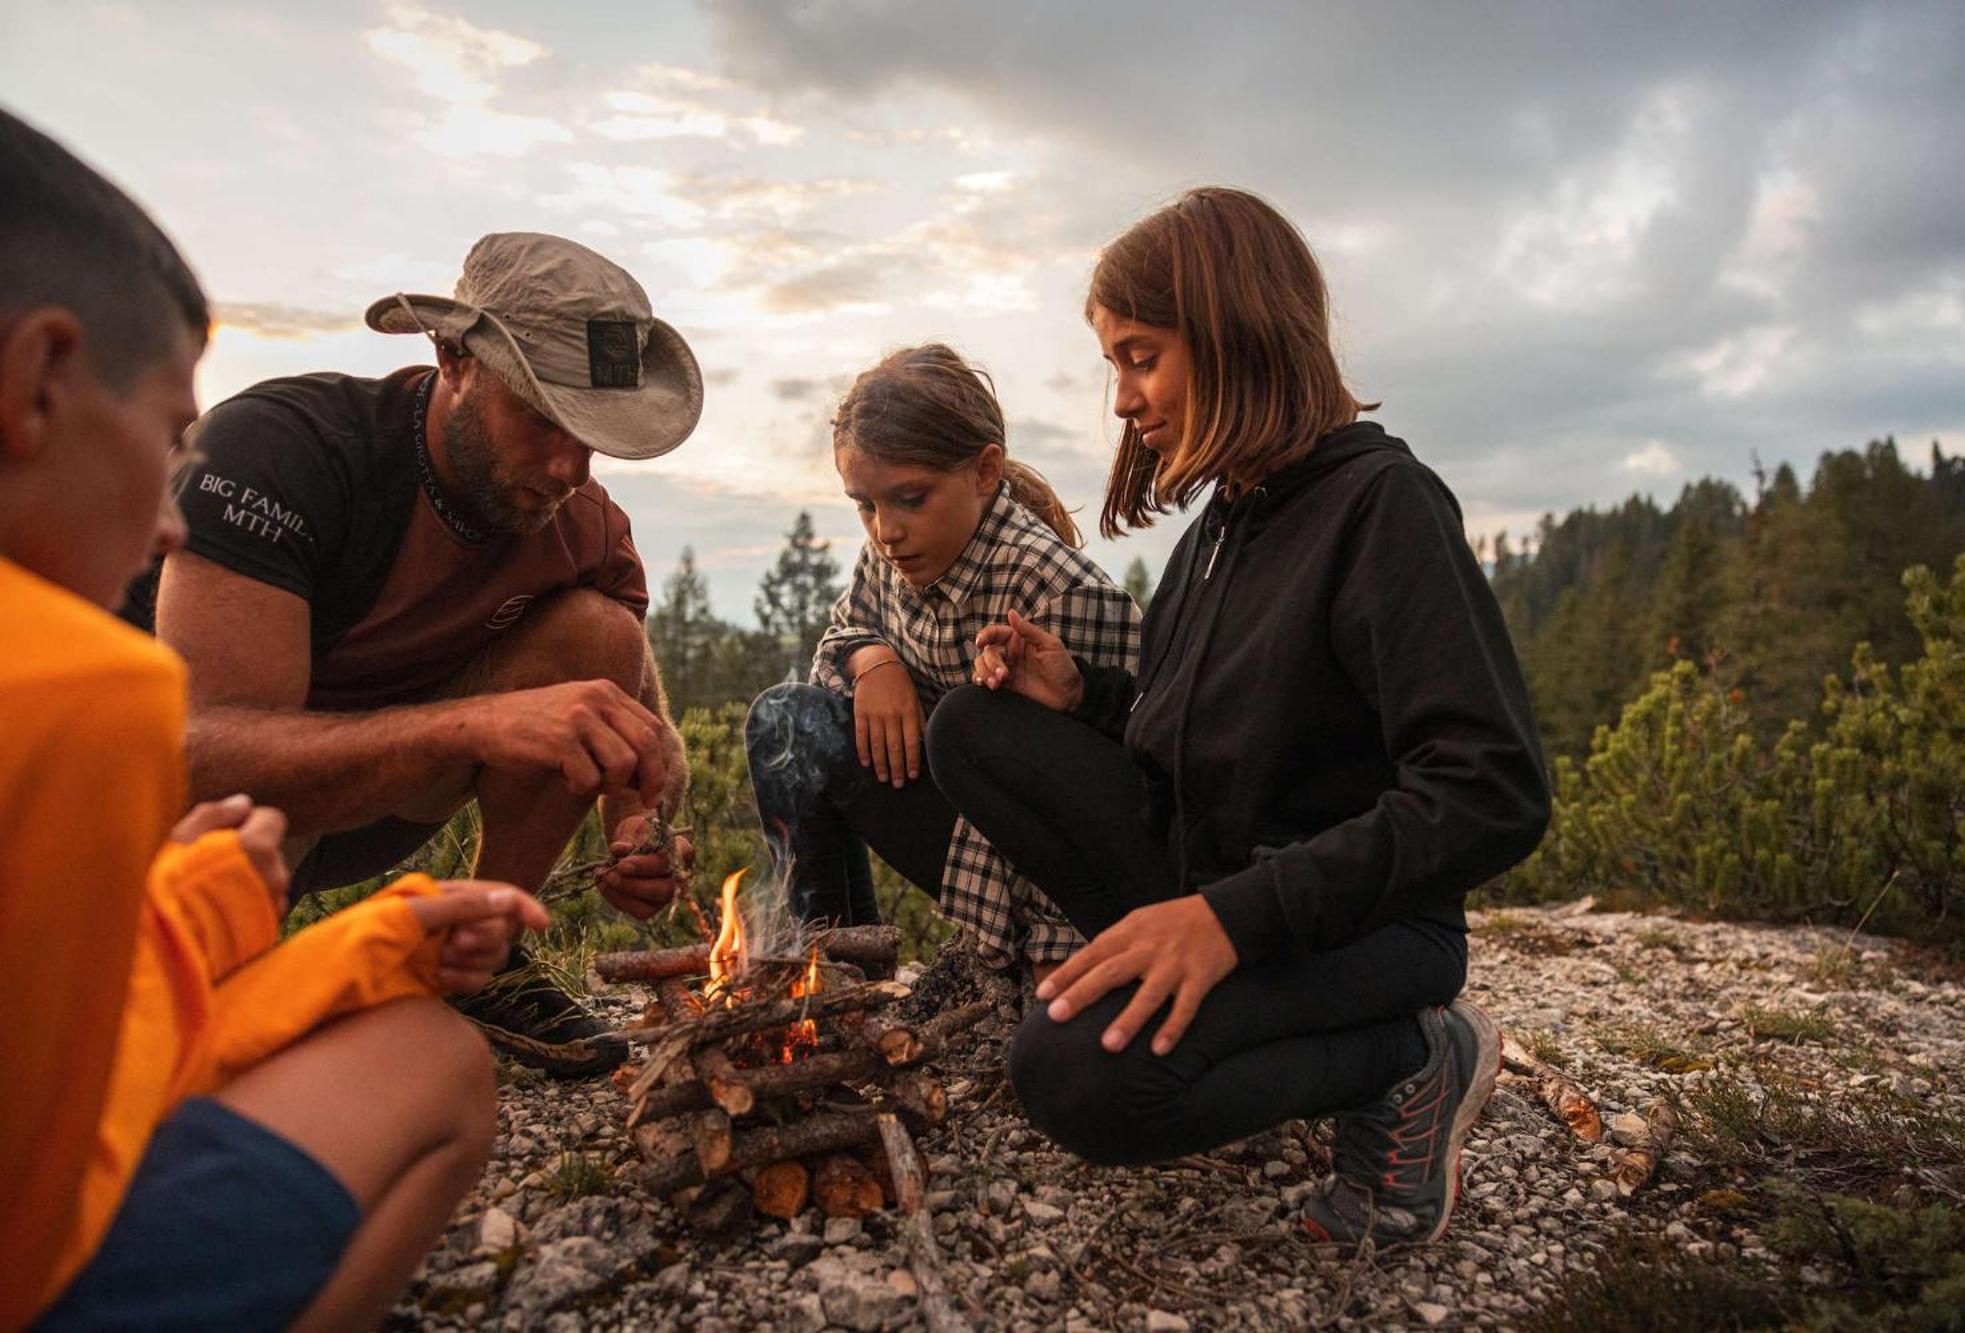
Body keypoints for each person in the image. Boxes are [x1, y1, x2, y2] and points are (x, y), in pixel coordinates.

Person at [0, 105, 550, 1332]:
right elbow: (46, 1178)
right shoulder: (73, 690)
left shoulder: (565, 519)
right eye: (167, 436)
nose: (171, 521)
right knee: (438, 1065)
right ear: (35, 383)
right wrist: (224, 915)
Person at [926, 188, 1552, 1246]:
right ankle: (1229, 1024)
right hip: (1216, 879)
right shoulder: (1222, 523)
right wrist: (1082, 695)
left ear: (1229, 334)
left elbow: (1489, 790)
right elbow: (1219, 737)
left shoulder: (1381, 508)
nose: (1121, 399)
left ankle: (1410, 1055)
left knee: (1069, 1072)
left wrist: (1228, 923)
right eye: (1113, 365)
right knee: (965, 727)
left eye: (1139, 357)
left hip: (1357, 927)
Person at [119, 230, 706, 1072]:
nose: (569, 465)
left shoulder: (582, 526)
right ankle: (205, 985)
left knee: (601, 636)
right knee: (197, 1023)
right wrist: (476, 727)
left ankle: (483, 955)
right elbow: (202, 752)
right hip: (172, 815)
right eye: (541, 418)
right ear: (453, 359)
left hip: (375, 800)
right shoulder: (286, 451)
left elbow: (644, 726)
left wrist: (640, 823)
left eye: (592, 432)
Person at [745, 344, 1140, 978]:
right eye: (865, 504)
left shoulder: (1057, 590)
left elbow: (1092, 808)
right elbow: (839, 640)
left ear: (985, 472)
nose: (885, 529)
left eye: (910, 498)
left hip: (1053, 875)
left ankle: (1031, 963)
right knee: (784, 721)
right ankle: (836, 972)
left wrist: (1044, 961)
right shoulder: (895, 551)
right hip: (953, 825)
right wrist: (872, 661)